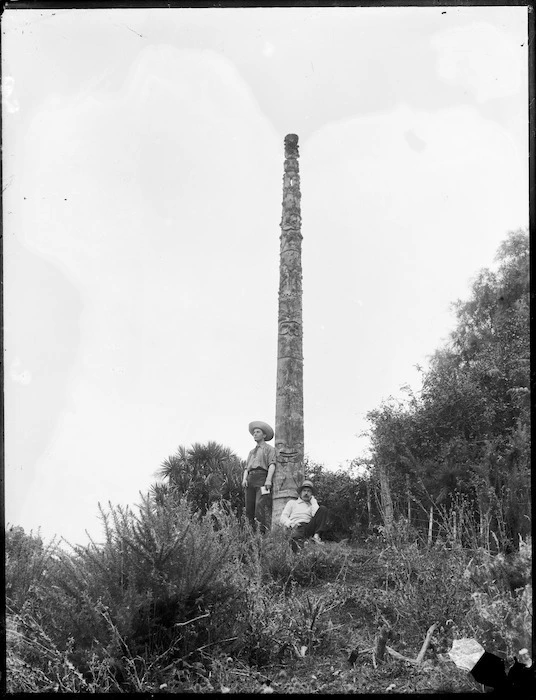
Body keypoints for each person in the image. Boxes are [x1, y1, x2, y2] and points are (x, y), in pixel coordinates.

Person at [243, 420, 276, 533]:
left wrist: (268, 480)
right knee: (249, 509)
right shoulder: (251, 452)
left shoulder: (269, 449)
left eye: (258, 432)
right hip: (250, 479)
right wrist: (244, 479)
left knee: (260, 506)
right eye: (254, 432)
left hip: (262, 478)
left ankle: (261, 534)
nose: (255, 434)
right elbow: (247, 468)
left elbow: (272, 465)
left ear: (264, 435)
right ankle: (249, 534)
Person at [280, 479, 330, 551]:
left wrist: (313, 501)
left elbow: (318, 516)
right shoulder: (292, 503)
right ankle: (302, 546)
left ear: (311, 494)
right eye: (304, 490)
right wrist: (291, 524)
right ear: (300, 492)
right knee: (296, 545)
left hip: (309, 527)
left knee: (323, 509)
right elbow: (283, 517)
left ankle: (316, 536)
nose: (306, 493)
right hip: (297, 526)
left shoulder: (312, 505)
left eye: (309, 491)